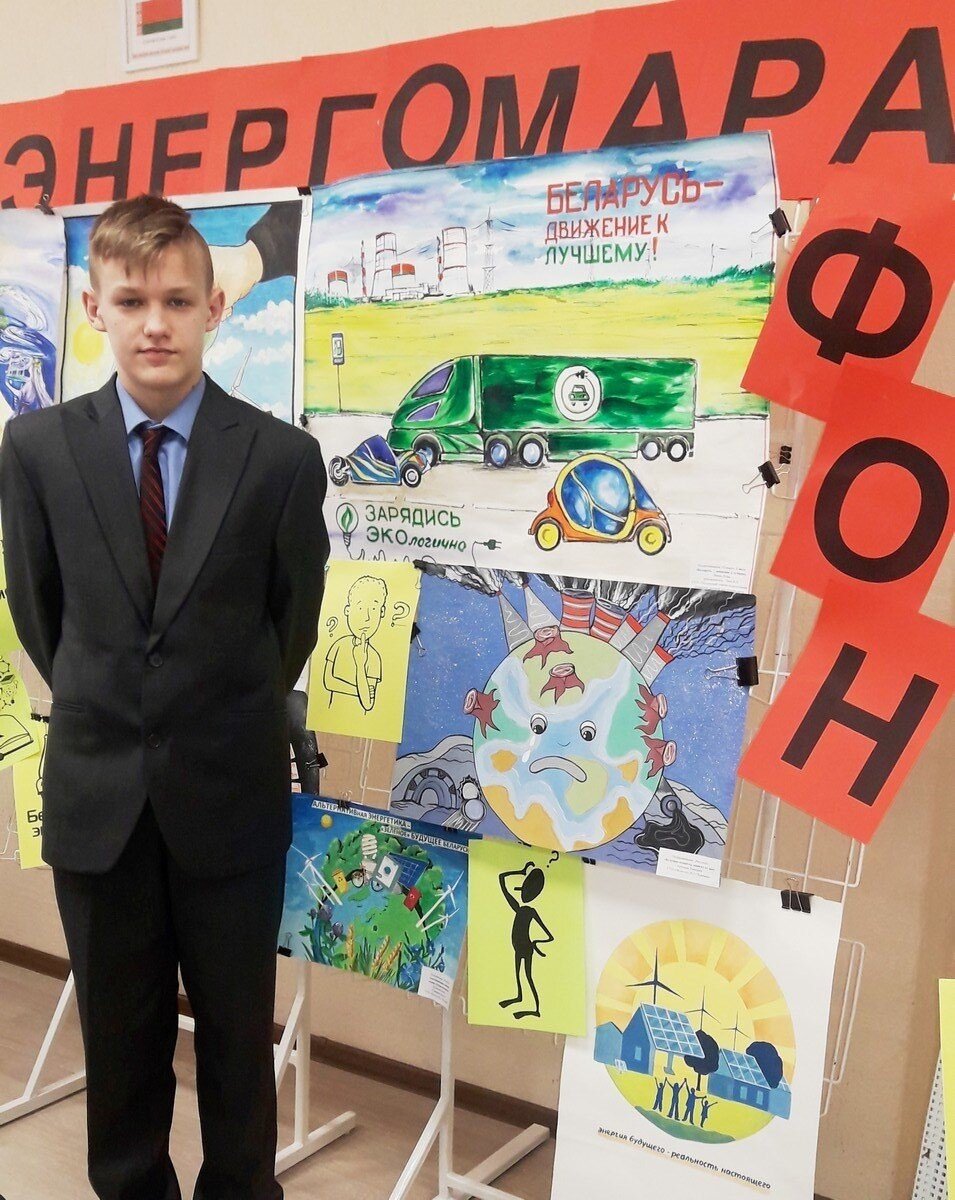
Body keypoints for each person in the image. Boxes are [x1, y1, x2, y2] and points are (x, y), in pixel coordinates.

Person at [0, 194, 329, 1200]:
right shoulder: (38, 451)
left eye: (178, 301)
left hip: (229, 795)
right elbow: (42, 616)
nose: (155, 323)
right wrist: (119, 697)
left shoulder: (279, 459)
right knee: (120, 1039)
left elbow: (290, 625)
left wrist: (206, 703)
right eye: (132, 300)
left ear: (213, 308)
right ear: (93, 307)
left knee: (236, 1040)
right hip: (99, 802)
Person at [497, 861, 554, 1020]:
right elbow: (501, 879)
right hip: (518, 947)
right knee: (518, 974)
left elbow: (549, 936)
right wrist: (522, 871)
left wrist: (535, 943)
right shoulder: (518, 908)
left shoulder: (530, 911)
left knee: (528, 977)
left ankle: (536, 1009)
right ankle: (519, 997)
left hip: (526, 948)